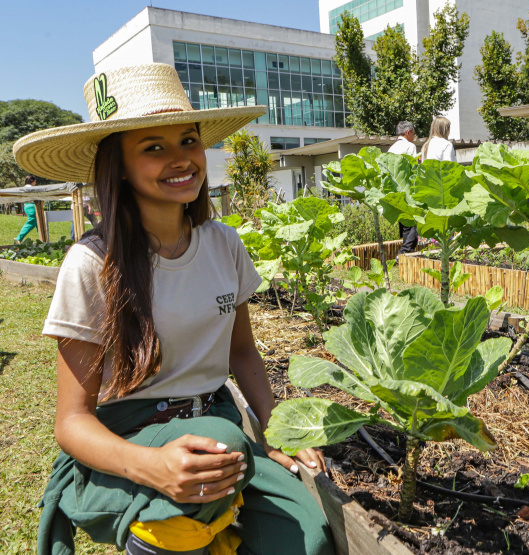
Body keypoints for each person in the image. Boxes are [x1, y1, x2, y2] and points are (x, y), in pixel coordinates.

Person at [14, 63, 333, 555]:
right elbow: (71, 423)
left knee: (307, 539)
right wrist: (153, 466)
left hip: (216, 428)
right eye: (154, 147)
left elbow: (242, 353)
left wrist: (275, 430)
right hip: (130, 437)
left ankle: (212, 529)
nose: (181, 158)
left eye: (188, 140)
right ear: (119, 165)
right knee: (218, 444)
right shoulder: (92, 262)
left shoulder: (224, 244)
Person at [388, 121, 418, 254]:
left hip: (395, 191)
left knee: (405, 224)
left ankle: (404, 254)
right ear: (408, 132)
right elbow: (413, 169)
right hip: (407, 189)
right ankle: (404, 252)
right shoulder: (410, 146)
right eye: (413, 133)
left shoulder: (392, 148)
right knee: (413, 223)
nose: (414, 136)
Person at [14, 174, 38, 244]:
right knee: (32, 222)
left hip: (26, 206)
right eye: (35, 181)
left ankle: (42, 239)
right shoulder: (31, 188)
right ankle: (19, 238)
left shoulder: (24, 188)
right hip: (31, 206)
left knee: (38, 223)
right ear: (32, 181)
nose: (35, 183)